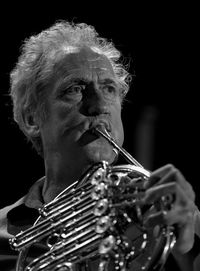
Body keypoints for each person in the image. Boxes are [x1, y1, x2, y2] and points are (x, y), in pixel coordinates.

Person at [0, 20, 199, 271]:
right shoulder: (3, 231)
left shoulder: (168, 224)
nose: (100, 106)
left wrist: (187, 249)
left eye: (109, 89)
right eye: (75, 89)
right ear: (32, 119)